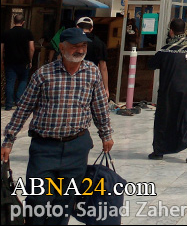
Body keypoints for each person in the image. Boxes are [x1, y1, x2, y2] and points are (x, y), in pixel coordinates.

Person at [1, 27, 113, 224]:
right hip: (44, 148)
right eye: (75, 46)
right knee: (38, 200)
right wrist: (8, 140)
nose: (80, 50)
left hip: (76, 147)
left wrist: (106, 134)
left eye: (83, 46)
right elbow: (24, 109)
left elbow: (100, 108)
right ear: (62, 47)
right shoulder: (43, 75)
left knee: (64, 202)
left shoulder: (92, 73)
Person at [148, 18, 187, 162]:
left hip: (170, 90)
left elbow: (151, 64)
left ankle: (159, 151)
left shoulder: (167, 50)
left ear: (171, 31)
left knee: (163, 119)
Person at [1, 14, 34, 110]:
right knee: (23, 81)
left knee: (10, 82)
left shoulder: (6, 33)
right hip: (24, 61)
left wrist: (1, 60)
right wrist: (30, 60)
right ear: (23, 22)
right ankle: (19, 102)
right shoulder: (28, 33)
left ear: (13, 21)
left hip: (10, 62)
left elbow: (1, 48)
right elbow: (31, 48)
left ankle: (8, 104)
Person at [76, 17, 109, 98]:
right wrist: (106, 88)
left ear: (77, 27)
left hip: (74, 78)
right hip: (92, 79)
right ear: (91, 29)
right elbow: (103, 67)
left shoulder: (72, 42)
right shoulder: (99, 43)